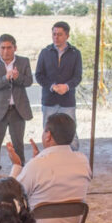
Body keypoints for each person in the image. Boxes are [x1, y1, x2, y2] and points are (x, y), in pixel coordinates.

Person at [6, 113, 91, 223]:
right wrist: (37, 161)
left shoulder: (36, 165)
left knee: (6, 207)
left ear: (48, 135)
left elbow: (9, 195)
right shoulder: (83, 161)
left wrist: (17, 166)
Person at [0, 34, 33, 181]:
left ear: (15, 48)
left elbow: (29, 81)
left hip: (18, 110)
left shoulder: (23, 62)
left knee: (18, 142)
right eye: (3, 48)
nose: (6, 51)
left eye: (9, 47)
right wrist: (5, 78)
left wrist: (17, 77)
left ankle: (20, 167)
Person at [34, 21, 82, 150]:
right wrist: (52, 86)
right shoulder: (45, 52)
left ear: (67, 35)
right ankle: (50, 162)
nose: (56, 37)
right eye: (54, 34)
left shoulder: (75, 53)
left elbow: (77, 77)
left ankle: (72, 163)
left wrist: (66, 87)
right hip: (49, 100)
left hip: (67, 101)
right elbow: (39, 75)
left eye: (59, 34)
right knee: (48, 133)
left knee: (71, 134)